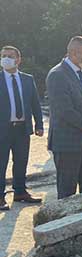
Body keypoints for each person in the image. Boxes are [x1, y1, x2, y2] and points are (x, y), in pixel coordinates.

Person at [46, 36, 82, 199]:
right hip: (67, 144)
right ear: (74, 53)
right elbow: (65, 111)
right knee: (67, 193)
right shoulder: (58, 75)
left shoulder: (80, 73)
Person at [0, 46, 44, 210]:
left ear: (18, 59)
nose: (5, 59)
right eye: (3, 56)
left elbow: (35, 103)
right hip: (2, 129)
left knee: (21, 161)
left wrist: (39, 124)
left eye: (10, 56)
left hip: (22, 129)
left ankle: (20, 192)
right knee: (1, 162)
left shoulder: (27, 79)